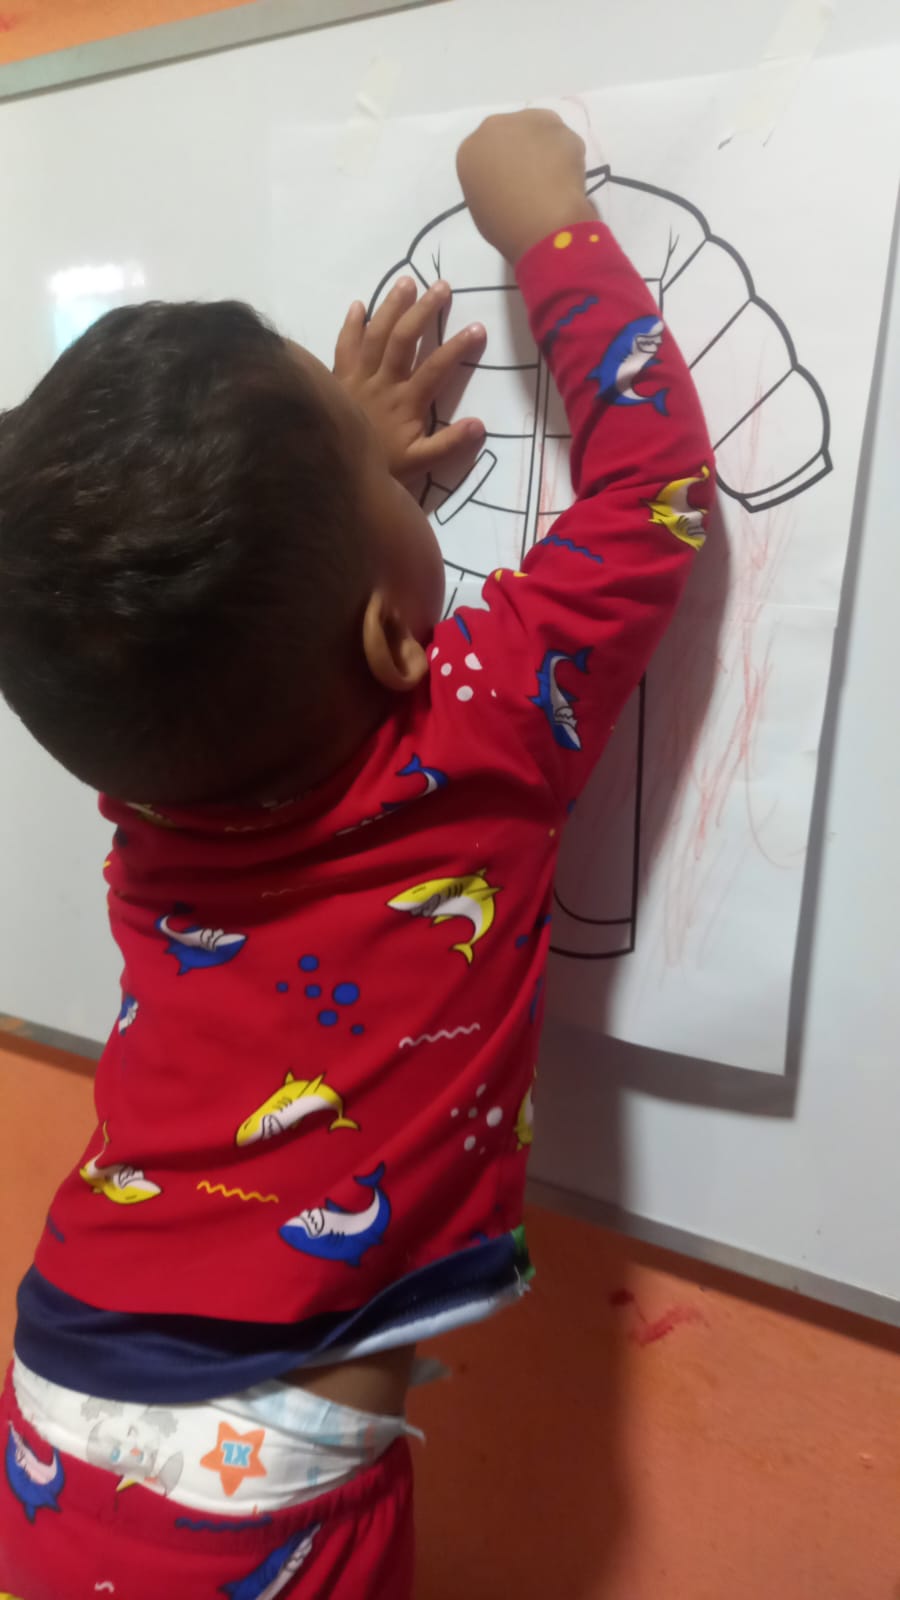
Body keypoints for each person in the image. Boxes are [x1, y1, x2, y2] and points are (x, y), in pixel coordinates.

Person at [0, 110, 713, 1598]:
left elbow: (215, 631)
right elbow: (650, 493)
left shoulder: (150, 796)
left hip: (64, 1390)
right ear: (394, 635)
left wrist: (343, 512)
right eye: (379, 476)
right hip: (260, 1483)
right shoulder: (485, 723)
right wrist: (545, 225)